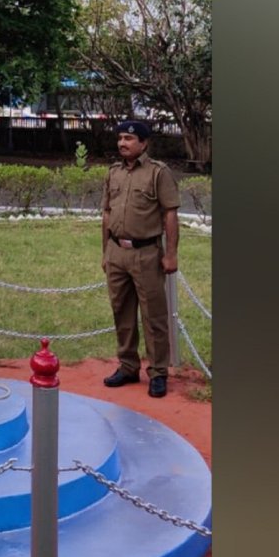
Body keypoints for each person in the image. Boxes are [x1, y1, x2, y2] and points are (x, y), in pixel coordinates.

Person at [100, 119, 180, 398]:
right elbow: (107, 213)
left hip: (146, 253)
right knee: (121, 311)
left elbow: (170, 214)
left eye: (129, 139)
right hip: (116, 252)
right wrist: (105, 253)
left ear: (144, 143)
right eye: (120, 138)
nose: (123, 143)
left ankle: (158, 372)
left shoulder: (159, 173)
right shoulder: (114, 173)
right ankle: (127, 365)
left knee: (153, 315)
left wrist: (170, 254)